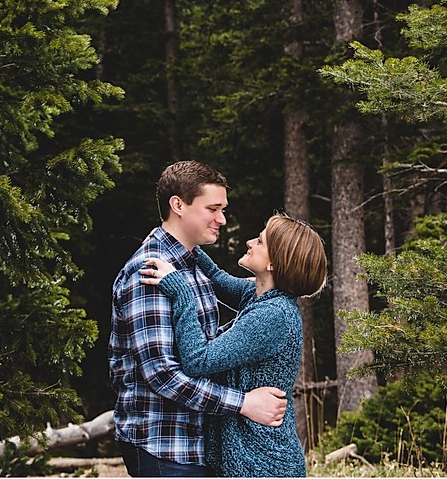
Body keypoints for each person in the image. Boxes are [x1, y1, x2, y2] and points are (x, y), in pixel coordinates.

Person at [110, 161, 290, 477]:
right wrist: (244, 403)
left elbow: (205, 344)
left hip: (197, 445)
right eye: (213, 208)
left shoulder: (191, 267)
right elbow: (162, 374)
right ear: (178, 205)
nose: (221, 219)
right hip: (163, 445)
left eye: (223, 209)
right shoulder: (149, 274)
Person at [140, 214, 327, 477]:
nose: (250, 242)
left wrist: (181, 292)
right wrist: (183, 243)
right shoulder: (260, 295)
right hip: (249, 460)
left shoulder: (272, 316)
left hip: (262, 465)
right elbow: (218, 278)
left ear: (274, 264)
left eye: (260, 242)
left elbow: (198, 360)